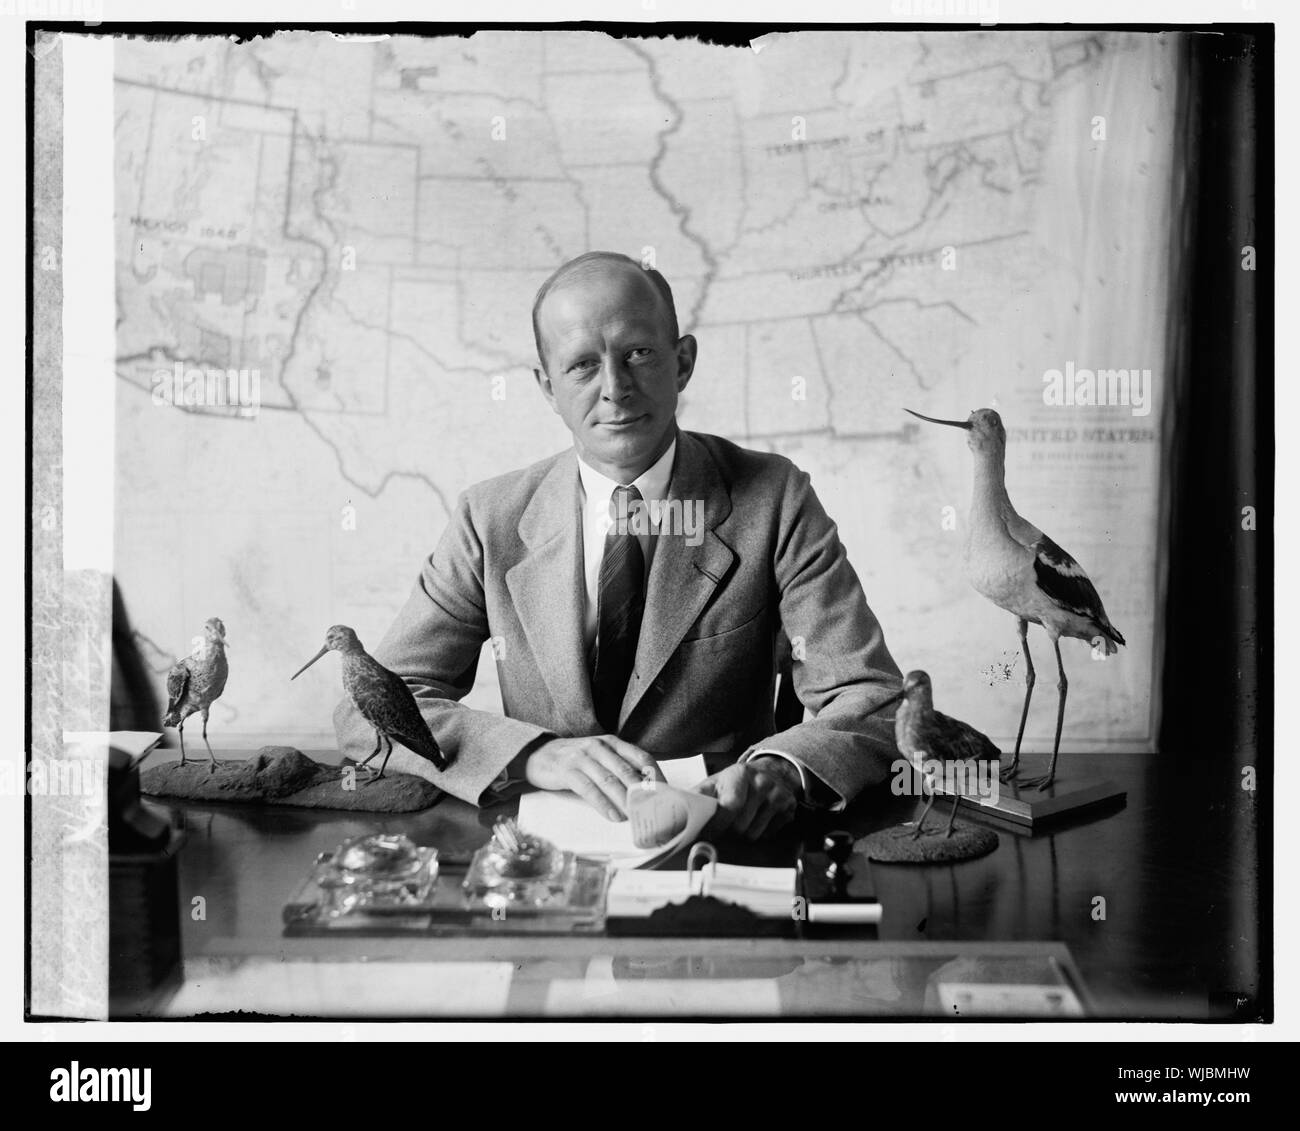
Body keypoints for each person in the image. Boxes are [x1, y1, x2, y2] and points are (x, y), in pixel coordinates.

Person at [334, 251, 903, 839]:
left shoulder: (775, 498)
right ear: (547, 388)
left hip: (719, 844)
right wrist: (534, 755)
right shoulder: (489, 519)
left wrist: (778, 773)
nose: (616, 389)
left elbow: (871, 696)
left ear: (682, 363)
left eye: (638, 353)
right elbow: (366, 709)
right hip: (544, 861)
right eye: (582, 365)